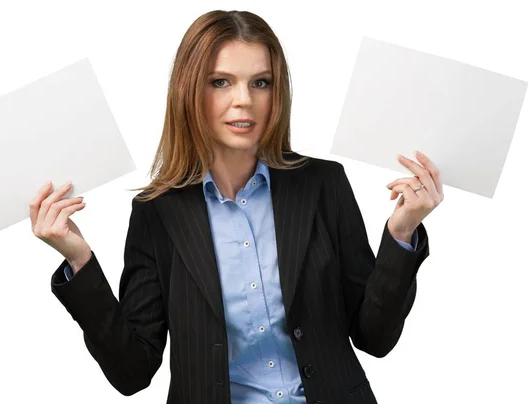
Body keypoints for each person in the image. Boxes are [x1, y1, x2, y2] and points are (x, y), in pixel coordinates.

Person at [29, 9, 443, 404]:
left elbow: (374, 338)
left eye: (260, 82)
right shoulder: (158, 212)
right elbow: (133, 372)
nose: (243, 100)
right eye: (221, 82)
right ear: (189, 91)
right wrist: (78, 259)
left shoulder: (323, 184)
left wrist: (402, 232)